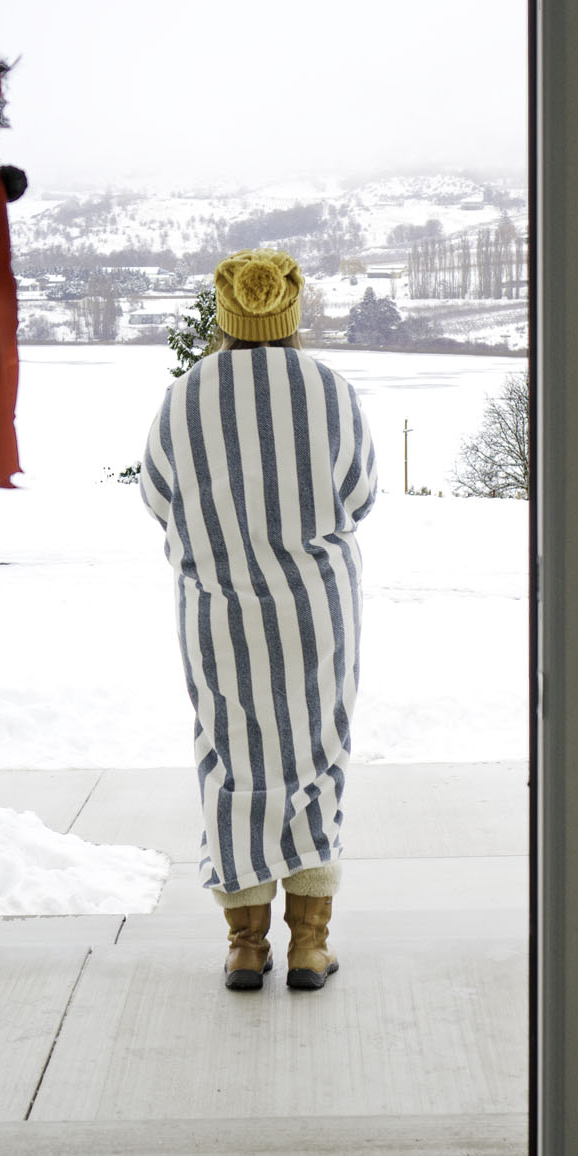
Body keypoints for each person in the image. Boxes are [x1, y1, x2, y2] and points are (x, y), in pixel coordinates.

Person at [140, 249, 377, 990]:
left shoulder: (183, 398)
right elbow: (361, 492)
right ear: (290, 314)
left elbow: (156, 496)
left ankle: (246, 946)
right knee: (317, 753)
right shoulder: (330, 391)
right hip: (317, 608)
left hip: (217, 611)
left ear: (228, 315)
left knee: (230, 758)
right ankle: (310, 944)